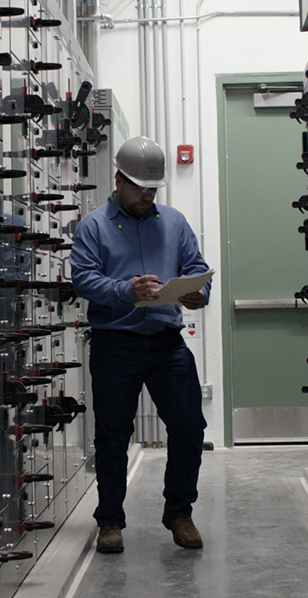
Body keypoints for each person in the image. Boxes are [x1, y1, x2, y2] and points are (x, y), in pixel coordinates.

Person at [68, 135, 213, 555]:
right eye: (139, 189)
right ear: (118, 180)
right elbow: (83, 279)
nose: (146, 197)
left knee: (189, 427)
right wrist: (125, 291)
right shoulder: (93, 226)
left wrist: (197, 294)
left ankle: (179, 512)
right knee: (113, 435)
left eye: (152, 190)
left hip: (167, 344)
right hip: (116, 344)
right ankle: (110, 521)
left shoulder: (174, 222)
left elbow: (197, 269)